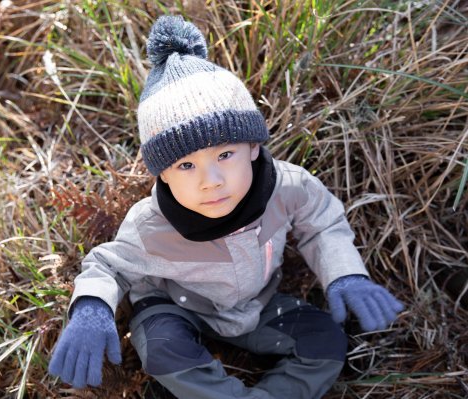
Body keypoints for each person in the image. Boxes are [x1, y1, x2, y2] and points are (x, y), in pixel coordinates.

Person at [48, 15, 404, 399]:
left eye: (226, 154)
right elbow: (108, 266)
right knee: (163, 347)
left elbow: (322, 224)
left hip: (257, 307)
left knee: (327, 342)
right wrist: (91, 307)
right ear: (163, 175)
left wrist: (344, 274)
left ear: (253, 147)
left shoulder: (288, 188)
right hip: (176, 309)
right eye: (186, 165)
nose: (211, 180)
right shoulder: (151, 225)